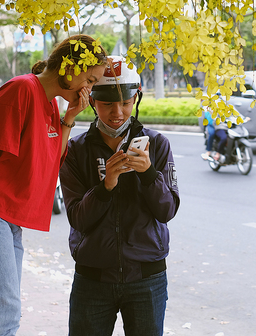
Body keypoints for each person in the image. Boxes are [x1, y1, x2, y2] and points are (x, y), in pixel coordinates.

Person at [0, 35, 107, 335]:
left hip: (8, 218)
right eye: (91, 79)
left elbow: (51, 165)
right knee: (2, 313)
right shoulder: (22, 88)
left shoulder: (52, 107)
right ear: (70, 66)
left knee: (7, 312)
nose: (90, 90)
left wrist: (69, 119)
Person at [60, 56, 180, 336]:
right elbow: (77, 218)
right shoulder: (76, 150)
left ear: (136, 98)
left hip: (147, 278)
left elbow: (167, 211)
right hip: (92, 277)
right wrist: (106, 186)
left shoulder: (157, 144)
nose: (117, 113)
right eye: (107, 104)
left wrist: (149, 174)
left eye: (125, 103)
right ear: (92, 102)